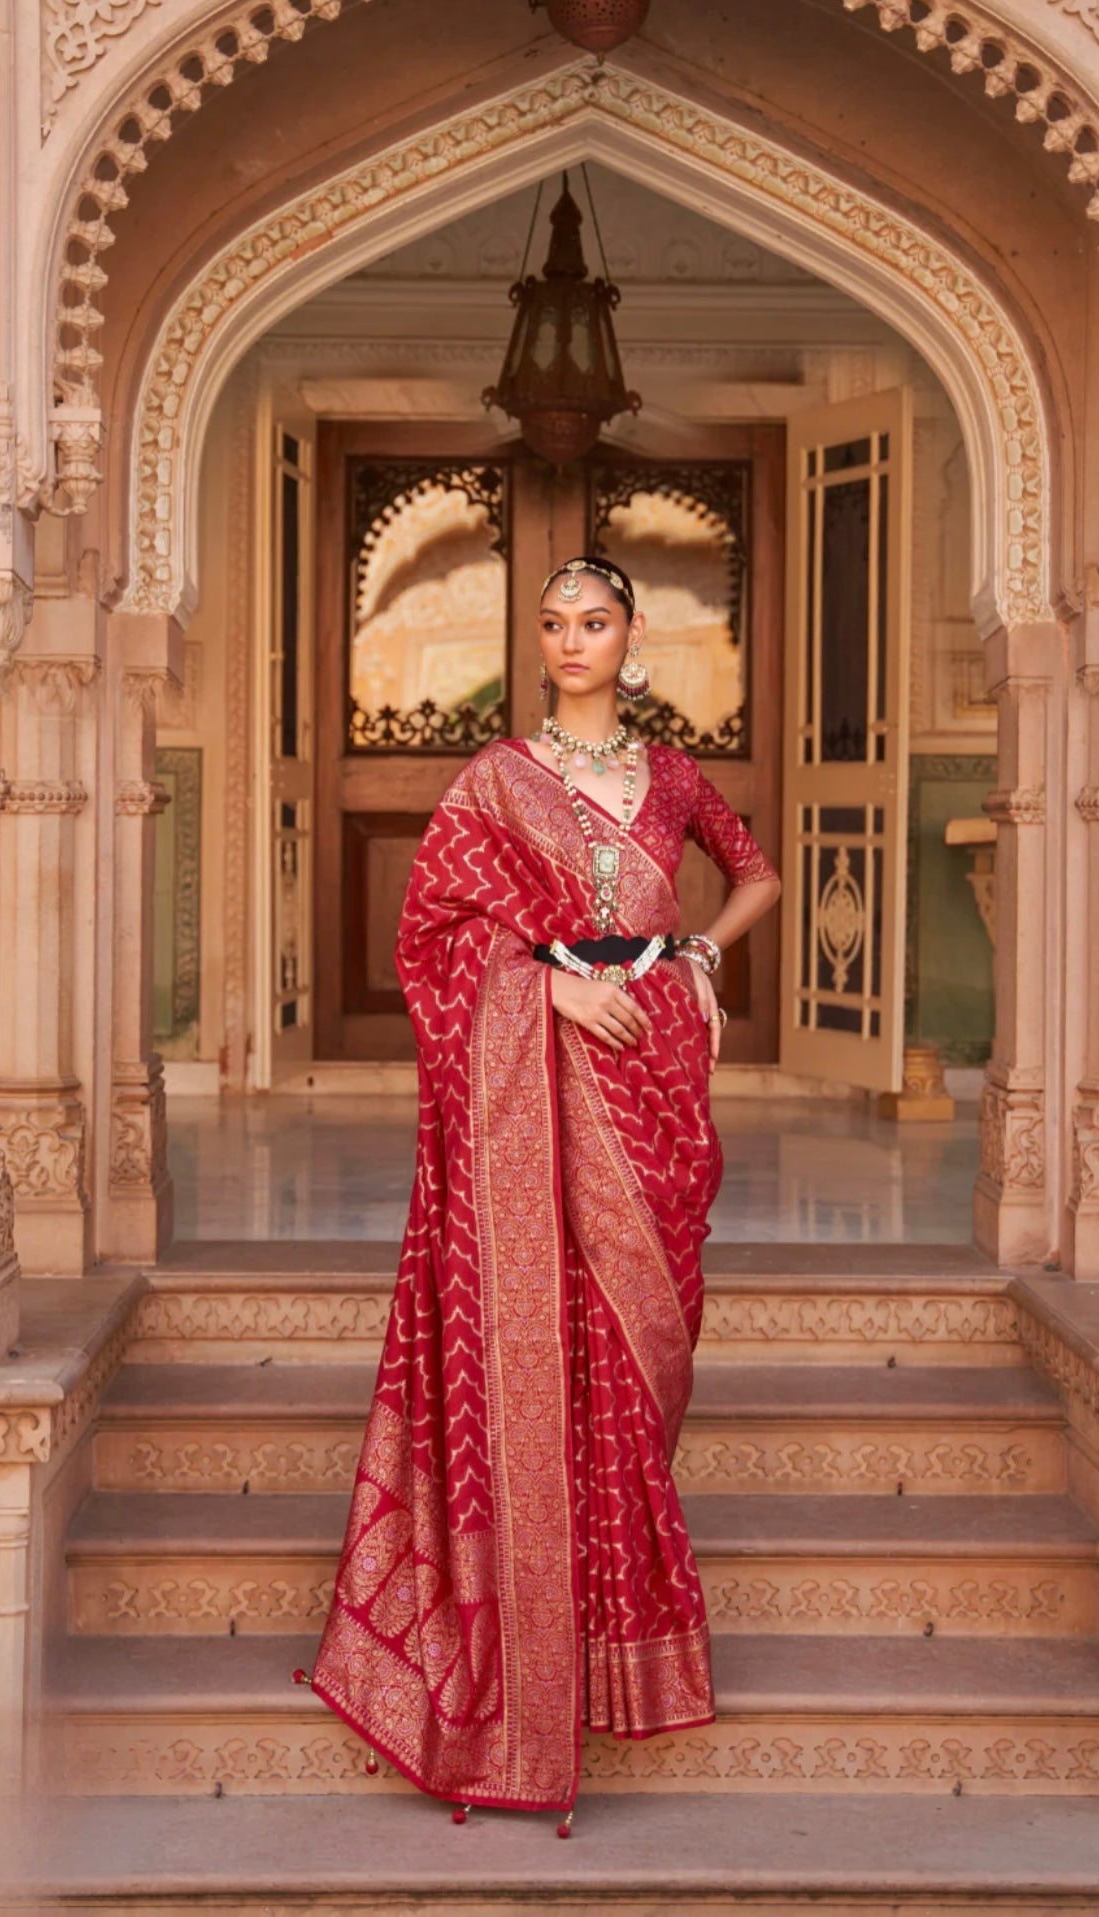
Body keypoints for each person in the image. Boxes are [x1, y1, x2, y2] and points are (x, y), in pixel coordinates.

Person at [299, 554, 782, 1834]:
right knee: (547, 1331)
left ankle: (615, 1624)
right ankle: (528, 1655)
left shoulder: (668, 773)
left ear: (634, 636)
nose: (574, 640)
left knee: (640, 1350)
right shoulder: (496, 781)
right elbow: (432, 937)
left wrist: (692, 959)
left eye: (597, 621)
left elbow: (757, 874)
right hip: (547, 1060)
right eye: (556, 624)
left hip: (655, 1069)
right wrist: (547, 988)